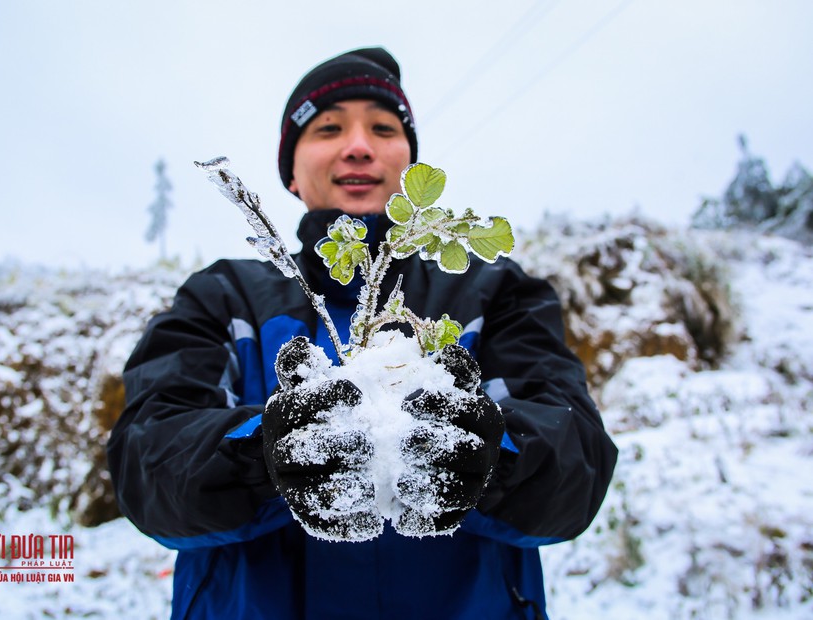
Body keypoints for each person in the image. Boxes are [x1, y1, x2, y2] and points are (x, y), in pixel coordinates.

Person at [107, 47, 617, 619]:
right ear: (292, 174)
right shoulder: (223, 297)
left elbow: (578, 462)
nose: (358, 145)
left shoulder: (493, 292)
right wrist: (267, 449)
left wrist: (487, 452)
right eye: (328, 127)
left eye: (382, 127)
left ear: (410, 162)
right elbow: (146, 462)